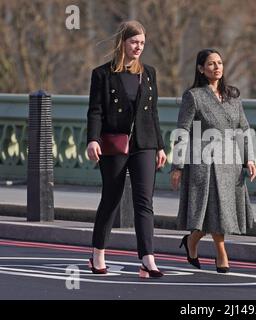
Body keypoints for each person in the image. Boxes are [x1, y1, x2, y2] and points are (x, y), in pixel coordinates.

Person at [86, 20, 167, 278]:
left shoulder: (149, 72)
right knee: (111, 199)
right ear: (122, 42)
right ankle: (98, 254)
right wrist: (93, 139)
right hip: (114, 143)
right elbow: (95, 111)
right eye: (134, 42)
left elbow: (152, 113)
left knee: (145, 202)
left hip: (145, 143)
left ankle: (147, 259)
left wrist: (161, 146)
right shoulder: (102, 74)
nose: (138, 47)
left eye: (142, 43)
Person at [170, 49, 256, 273]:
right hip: (203, 163)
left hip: (231, 163)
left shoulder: (233, 96)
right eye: (211, 64)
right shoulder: (194, 96)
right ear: (201, 68)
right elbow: (182, 130)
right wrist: (177, 166)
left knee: (220, 213)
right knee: (212, 211)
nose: (217, 67)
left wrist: (250, 158)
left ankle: (191, 241)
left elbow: (244, 129)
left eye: (219, 63)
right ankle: (221, 254)